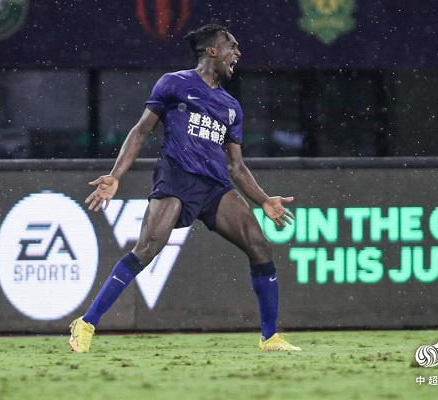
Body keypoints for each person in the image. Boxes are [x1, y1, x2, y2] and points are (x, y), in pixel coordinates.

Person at [68, 23, 301, 353]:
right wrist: (116, 175)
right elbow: (141, 131)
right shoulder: (174, 83)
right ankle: (86, 323)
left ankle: (270, 336)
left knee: (260, 245)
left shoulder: (231, 106)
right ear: (212, 51)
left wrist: (263, 200)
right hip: (177, 178)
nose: (238, 53)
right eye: (231, 46)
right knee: (147, 248)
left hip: (215, 187)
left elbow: (235, 166)